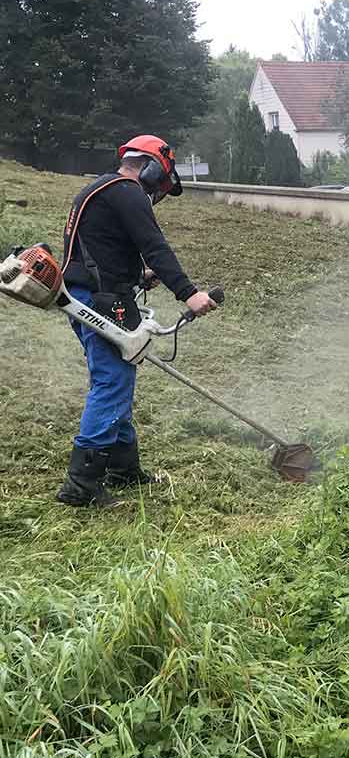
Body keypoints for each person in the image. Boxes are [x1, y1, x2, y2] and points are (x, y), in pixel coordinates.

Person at [56, 135, 217, 507]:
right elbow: (154, 244)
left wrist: (137, 275)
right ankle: (81, 485)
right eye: (161, 182)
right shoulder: (126, 191)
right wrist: (189, 293)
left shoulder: (100, 189)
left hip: (92, 294)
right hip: (100, 300)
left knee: (117, 374)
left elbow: (98, 249)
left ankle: (124, 468)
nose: (158, 192)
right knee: (113, 379)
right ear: (150, 166)